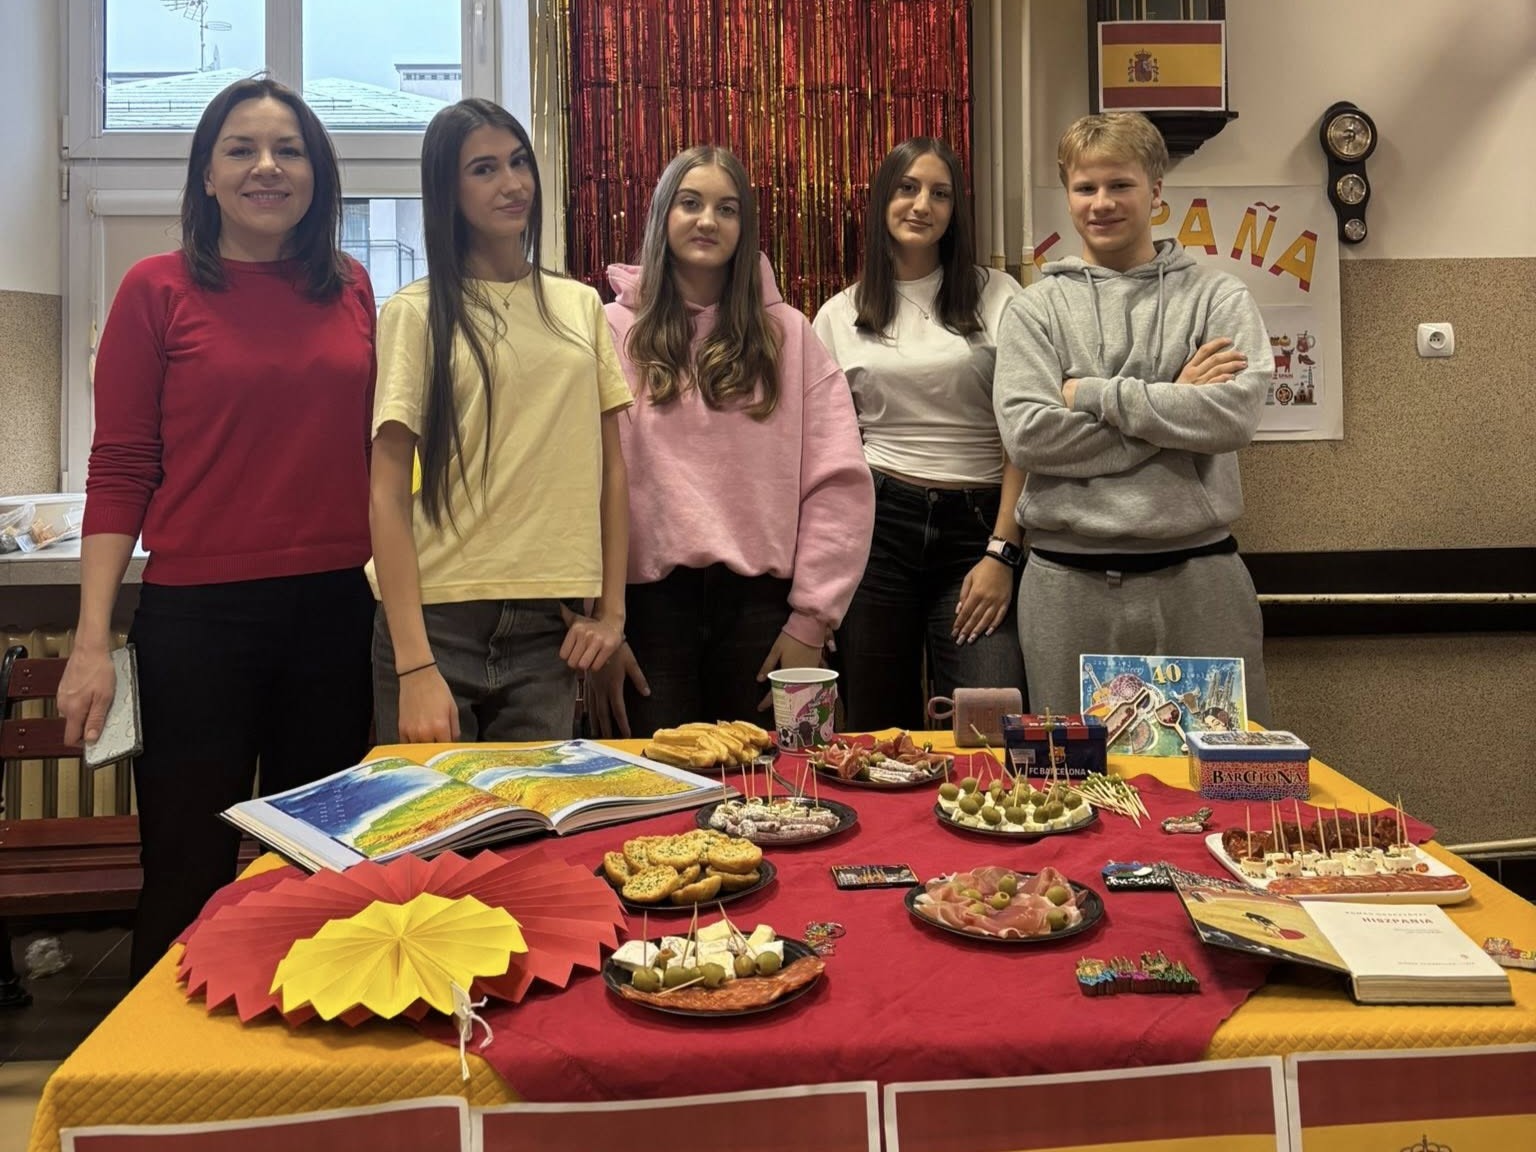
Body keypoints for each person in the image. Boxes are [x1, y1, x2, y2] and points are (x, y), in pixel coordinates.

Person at [57, 77, 377, 980]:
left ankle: (314, 1053)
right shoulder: (154, 289)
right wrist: (90, 641)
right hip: (196, 623)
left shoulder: (353, 288)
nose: (266, 167)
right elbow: (121, 466)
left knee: (324, 871)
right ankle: (162, 1062)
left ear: (317, 174)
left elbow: (379, 459)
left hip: (332, 615)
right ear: (206, 174)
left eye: (289, 150)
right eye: (241, 149)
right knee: (187, 871)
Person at [992, 112, 1273, 724]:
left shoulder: (1218, 298)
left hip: (1201, 582)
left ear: (1155, 190)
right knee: (1075, 775)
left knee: (1220, 767)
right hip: (1065, 587)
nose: (1102, 203)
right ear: (1068, 194)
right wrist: (1174, 403)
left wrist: (1092, 394)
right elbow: (1030, 438)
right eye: (1085, 187)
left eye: (1120, 184)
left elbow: (1232, 418)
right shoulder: (1034, 310)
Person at [369, 99, 631, 744]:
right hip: (436, 621)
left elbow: (611, 470)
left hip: (550, 630)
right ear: (448, 191)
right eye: (483, 169)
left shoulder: (580, 305)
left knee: (537, 812)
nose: (512, 183)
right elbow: (386, 491)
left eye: (518, 163)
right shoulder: (414, 312)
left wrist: (613, 615)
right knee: (429, 811)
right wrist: (414, 665)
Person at [591, 145, 873, 737]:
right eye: (690, 203)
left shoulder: (788, 335)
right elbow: (581, 484)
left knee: (779, 782)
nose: (707, 221)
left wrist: (812, 620)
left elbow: (839, 483)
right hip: (644, 614)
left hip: (766, 613)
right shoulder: (611, 332)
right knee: (656, 785)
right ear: (663, 214)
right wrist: (600, 622)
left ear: (745, 227)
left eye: (727, 208)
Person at [813, 138, 1028, 731]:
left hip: (979, 529)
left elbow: (1024, 436)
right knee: (876, 727)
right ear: (883, 198)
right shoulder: (838, 315)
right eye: (907, 188)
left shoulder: (1000, 296)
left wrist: (1003, 552)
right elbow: (825, 451)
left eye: (940, 193)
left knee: (990, 721)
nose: (922, 205)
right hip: (878, 529)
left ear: (956, 211)